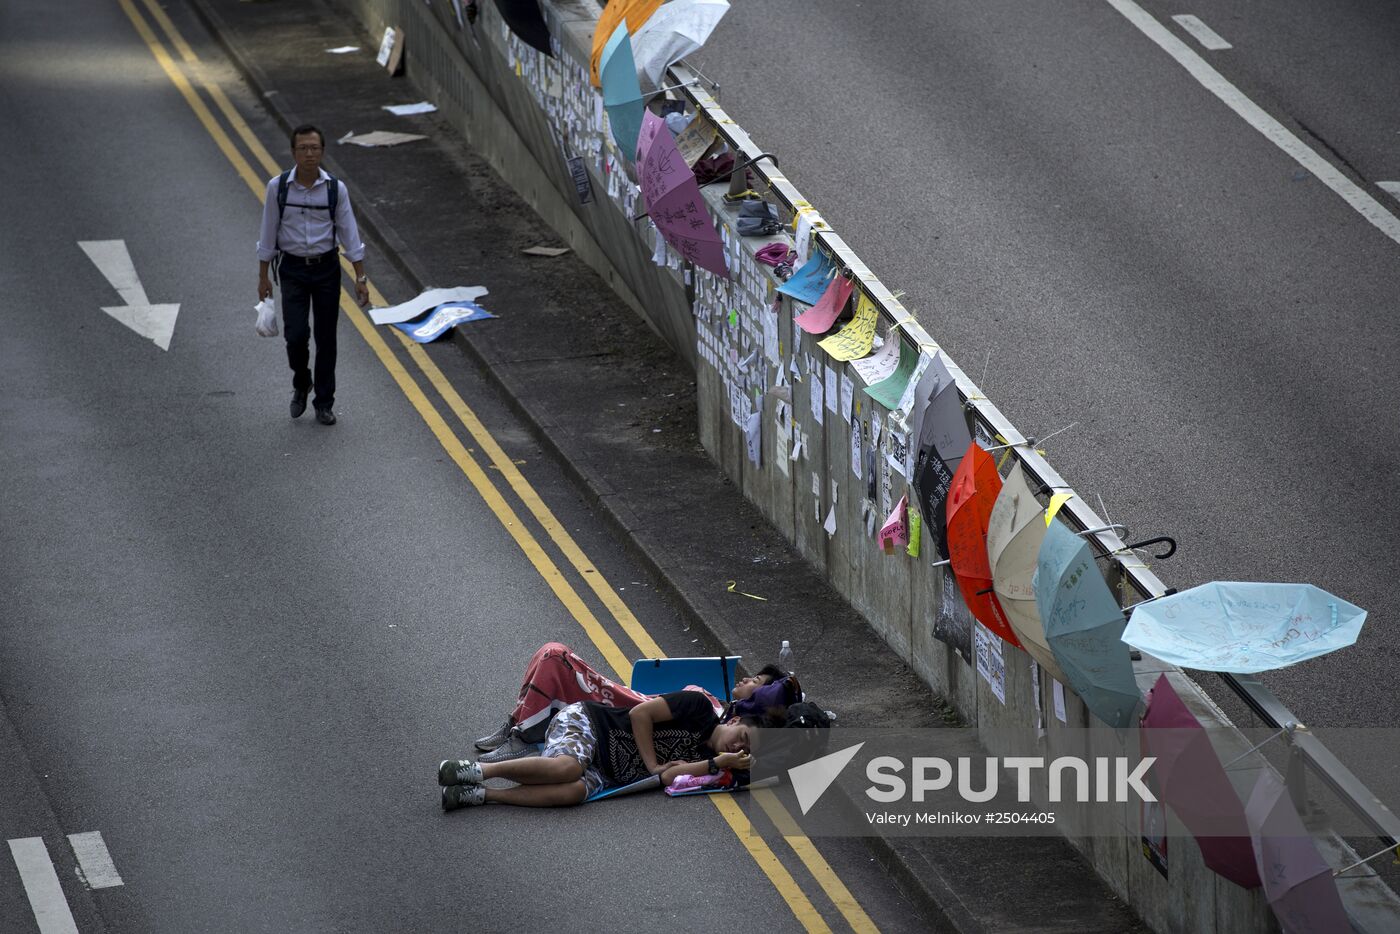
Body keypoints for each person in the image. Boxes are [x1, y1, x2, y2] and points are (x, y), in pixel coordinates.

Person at [440, 691, 758, 810]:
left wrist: (718, 762)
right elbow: (640, 714)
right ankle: (479, 771)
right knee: (569, 767)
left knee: (574, 792)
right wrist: (651, 764)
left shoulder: (711, 763)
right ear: (736, 720)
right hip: (590, 724)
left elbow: (669, 778)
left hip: (607, 774)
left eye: (746, 749)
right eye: (743, 736)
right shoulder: (699, 706)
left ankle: (483, 795)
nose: (739, 745)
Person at [473, 643, 784, 763]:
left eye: (755, 683)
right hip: (634, 701)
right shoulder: (717, 708)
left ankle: (526, 735)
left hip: (620, 711)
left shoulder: (716, 714)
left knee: (557, 657)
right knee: (550, 652)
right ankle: (518, 723)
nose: (745, 680)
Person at [256, 124, 369, 426]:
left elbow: (350, 234)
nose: (309, 154)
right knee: (295, 336)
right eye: (303, 148)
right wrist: (263, 276)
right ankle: (302, 381)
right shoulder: (277, 188)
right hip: (291, 268)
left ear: (322, 151)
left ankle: (324, 402)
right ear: (293, 152)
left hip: (326, 270)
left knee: (326, 337)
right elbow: (268, 233)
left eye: (315, 148)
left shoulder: (335, 189)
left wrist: (360, 278)